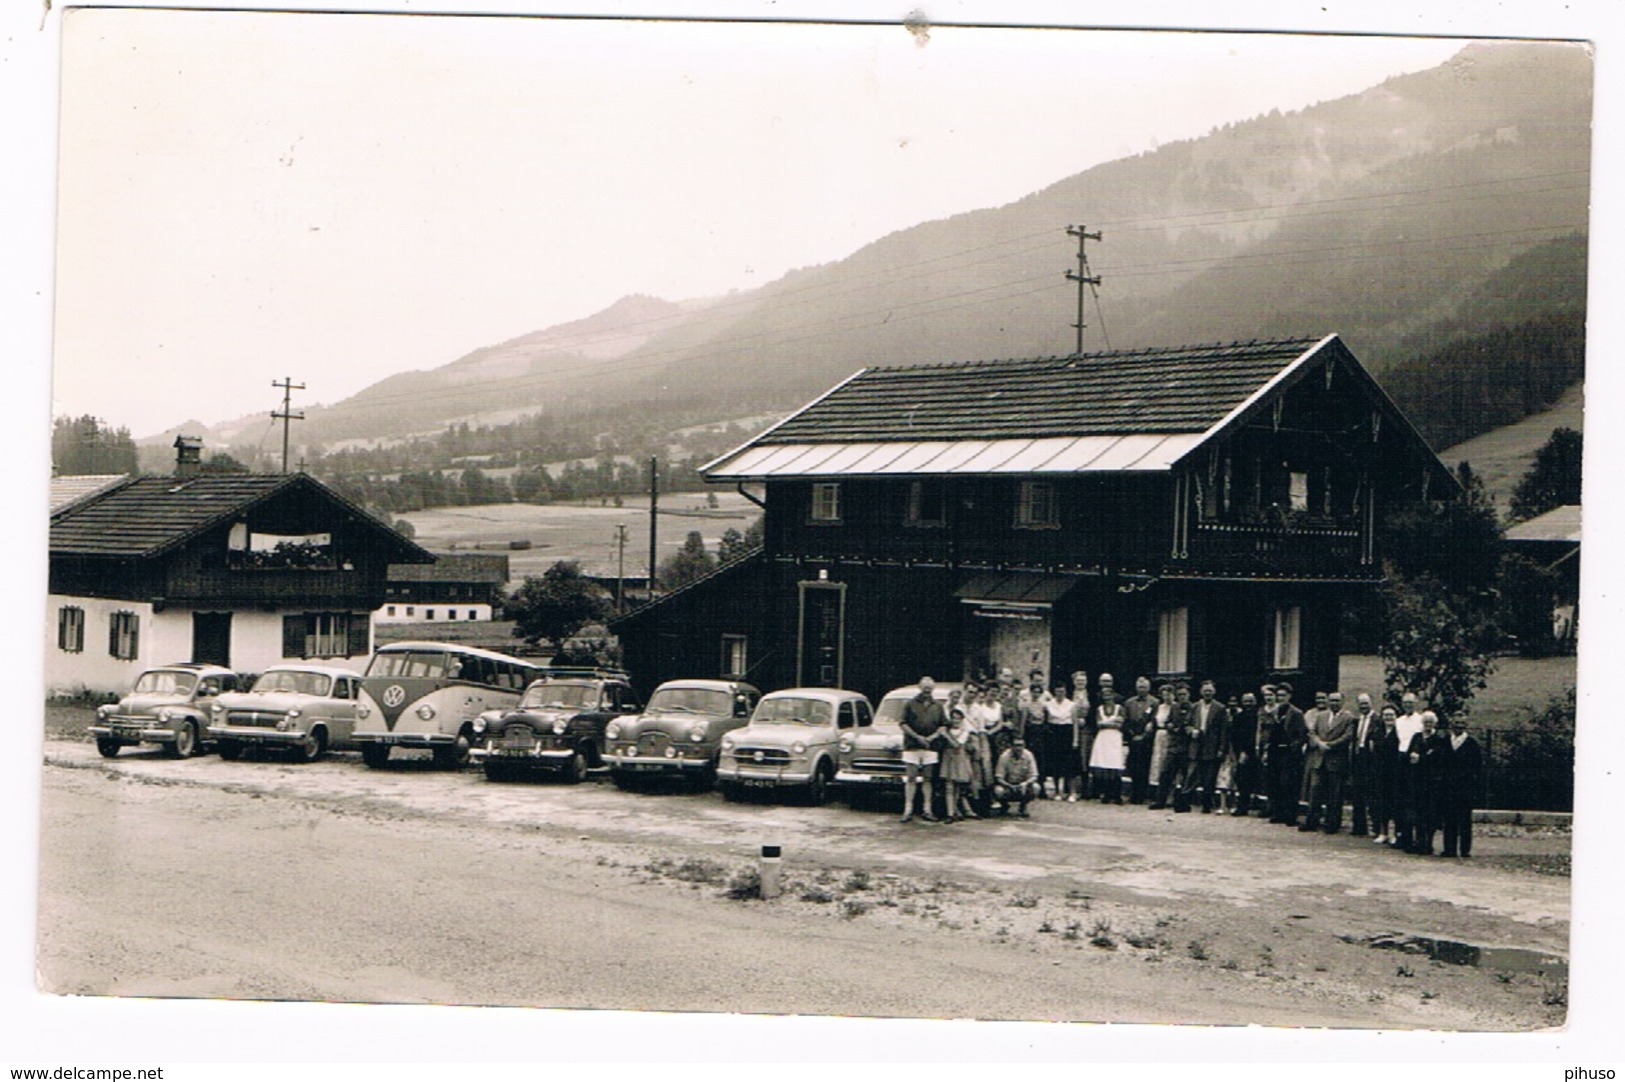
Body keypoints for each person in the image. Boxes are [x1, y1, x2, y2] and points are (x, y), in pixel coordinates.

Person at [1302, 690, 1354, 833]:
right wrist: (1319, 743)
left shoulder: (1348, 717)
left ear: (1342, 702)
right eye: (1331, 700)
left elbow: (1347, 736)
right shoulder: (1321, 716)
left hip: (1336, 760)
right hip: (1319, 759)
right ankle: (1311, 821)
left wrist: (1330, 745)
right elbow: (1312, 733)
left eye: (1337, 700)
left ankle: (1332, 823)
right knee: (1315, 791)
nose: (1334, 703)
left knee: (1335, 794)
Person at [899, 677, 944, 823]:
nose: (927, 691)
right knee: (911, 778)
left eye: (929, 689)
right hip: (912, 745)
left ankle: (927, 810)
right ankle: (908, 810)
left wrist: (932, 737)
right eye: (925, 688)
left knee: (928, 778)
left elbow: (943, 725)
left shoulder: (938, 705)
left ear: (933, 689)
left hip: (930, 747)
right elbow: (903, 723)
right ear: (920, 687)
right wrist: (917, 737)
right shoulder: (910, 704)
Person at [1440, 714, 1484, 858]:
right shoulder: (1446, 742)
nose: (1458, 726)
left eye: (1461, 724)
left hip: (1465, 788)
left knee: (1464, 820)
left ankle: (1465, 850)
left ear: (1466, 726)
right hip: (1448, 787)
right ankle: (1449, 849)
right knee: (1449, 819)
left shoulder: (1472, 744)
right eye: (1456, 723)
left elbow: (1477, 768)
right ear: (1452, 725)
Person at [1407, 708, 1449, 855]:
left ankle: (1428, 843)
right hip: (1416, 780)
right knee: (1417, 813)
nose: (1428, 724)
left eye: (1431, 722)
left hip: (1431, 782)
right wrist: (1421, 756)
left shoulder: (1439, 739)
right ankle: (1418, 841)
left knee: (1430, 814)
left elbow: (1438, 758)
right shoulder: (1417, 737)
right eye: (1426, 722)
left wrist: (1421, 758)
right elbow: (1410, 755)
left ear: (1435, 723)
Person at [1265, 683, 1307, 825]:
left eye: (1283, 695)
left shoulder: (1296, 713)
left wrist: (1293, 749)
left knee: (1289, 784)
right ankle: (1278, 813)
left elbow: (1301, 735)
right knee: (1276, 783)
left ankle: (1291, 815)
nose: (1280, 698)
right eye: (1278, 696)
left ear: (1289, 696)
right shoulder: (1275, 712)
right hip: (1275, 752)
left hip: (1289, 754)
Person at [1187, 679, 1230, 813]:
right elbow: (1187, 724)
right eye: (1205, 691)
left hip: (1212, 747)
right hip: (1196, 745)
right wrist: (1191, 731)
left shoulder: (1220, 708)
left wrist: (1222, 749)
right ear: (1201, 692)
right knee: (1193, 774)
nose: (1207, 693)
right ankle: (1186, 801)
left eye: (1210, 691)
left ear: (1214, 692)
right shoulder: (1194, 707)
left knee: (1209, 777)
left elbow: (1224, 731)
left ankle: (1207, 805)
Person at [1347, 693, 1381, 837]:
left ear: (1371, 703)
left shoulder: (1377, 720)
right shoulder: (1356, 720)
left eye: (1366, 703)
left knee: (1372, 795)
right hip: (1358, 758)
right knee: (1357, 794)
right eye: (1361, 704)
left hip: (1371, 759)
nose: (1363, 706)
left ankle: (1376, 828)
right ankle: (1359, 826)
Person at [1088, 679, 1127, 803]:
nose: (1107, 697)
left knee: (1115, 765)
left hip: (1115, 738)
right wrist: (1111, 722)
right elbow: (1098, 724)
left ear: (1114, 695)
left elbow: (1120, 724)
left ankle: (1116, 794)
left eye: (1109, 694)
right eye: (1105, 695)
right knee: (1104, 766)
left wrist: (1106, 723)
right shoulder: (1099, 709)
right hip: (1103, 738)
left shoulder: (1119, 708)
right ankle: (1106, 794)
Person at [1371, 703, 1404, 846]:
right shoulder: (1378, 732)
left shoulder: (1400, 732)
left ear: (1396, 717)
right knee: (1381, 803)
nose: (1388, 718)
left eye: (1391, 715)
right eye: (1386, 715)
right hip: (1380, 773)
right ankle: (1382, 832)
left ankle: (1395, 834)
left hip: (1396, 773)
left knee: (1395, 804)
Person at [1123, 676, 1158, 804]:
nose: (1141, 689)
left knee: (1144, 767)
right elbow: (1125, 721)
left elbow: (1154, 722)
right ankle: (1134, 792)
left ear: (1148, 688)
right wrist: (1132, 735)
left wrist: (1143, 736)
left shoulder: (1154, 703)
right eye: (1139, 687)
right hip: (1133, 739)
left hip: (1146, 741)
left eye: (1144, 687)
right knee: (1133, 767)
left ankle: (1142, 794)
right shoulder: (1129, 702)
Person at [939, 706, 978, 822]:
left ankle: (954, 810)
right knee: (949, 786)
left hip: (959, 759)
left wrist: (945, 735)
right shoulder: (948, 730)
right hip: (948, 758)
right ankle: (950, 813)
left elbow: (957, 744)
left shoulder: (964, 732)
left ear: (962, 720)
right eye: (953, 718)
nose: (955, 721)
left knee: (957, 787)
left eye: (958, 718)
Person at [1163, 683, 1197, 812]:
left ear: (1188, 694)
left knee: (1186, 775)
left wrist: (1187, 728)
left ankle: (1183, 802)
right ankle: (1162, 800)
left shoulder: (1194, 708)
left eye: (1184, 694)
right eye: (1179, 695)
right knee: (1166, 773)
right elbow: (1168, 721)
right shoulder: (1174, 707)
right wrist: (1170, 726)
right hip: (1173, 746)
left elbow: (1194, 724)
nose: (1182, 697)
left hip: (1187, 747)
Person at [1228, 690, 1262, 816]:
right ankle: (1243, 806)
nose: (1248, 704)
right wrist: (1241, 752)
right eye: (1245, 701)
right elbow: (1235, 736)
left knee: (1259, 780)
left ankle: (1260, 805)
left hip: (1258, 752)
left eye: (1250, 701)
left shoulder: (1259, 716)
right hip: (1244, 753)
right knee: (1243, 781)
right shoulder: (1238, 717)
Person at [1044, 682, 1078, 801]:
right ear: (1054, 692)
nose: (1060, 694)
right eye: (1058, 691)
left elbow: (1075, 724)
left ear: (1065, 692)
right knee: (1056, 764)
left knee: (1070, 765)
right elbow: (1047, 721)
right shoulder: (1048, 705)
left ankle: (1072, 793)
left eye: (1062, 691)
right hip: (1054, 734)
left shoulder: (1071, 705)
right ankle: (1058, 792)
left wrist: (1075, 740)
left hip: (1067, 733)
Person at [992, 736, 1041, 818]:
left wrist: (1025, 783)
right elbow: (999, 777)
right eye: (1016, 745)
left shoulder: (1028, 755)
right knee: (998, 791)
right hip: (1007, 784)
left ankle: (1023, 805)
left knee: (1036, 788)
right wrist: (1008, 785)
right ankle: (1004, 805)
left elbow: (1034, 775)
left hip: (1023, 785)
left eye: (1021, 745)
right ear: (1011, 746)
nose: (1019, 748)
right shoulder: (1004, 756)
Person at [1146, 683, 1177, 809]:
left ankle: (1171, 795)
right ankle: (1159, 795)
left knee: (1169, 766)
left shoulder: (1176, 707)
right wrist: (1150, 724)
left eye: (1169, 694)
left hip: (1171, 737)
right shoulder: (1159, 707)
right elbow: (1153, 719)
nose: (1167, 697)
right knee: (1158, 765)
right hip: (1159, 736)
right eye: (1164, 695)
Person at [1071, 671, 1094, 800]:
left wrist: (1086, 720)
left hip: (1086, 729)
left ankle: (1085, 788)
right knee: (1073, 756)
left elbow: (1093, 711)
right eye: (1078, 681)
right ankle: (1071, 789)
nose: (1080, 683)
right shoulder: (1070, 694)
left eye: (1083, 681)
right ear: (1074, 682)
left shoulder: (1090, 695)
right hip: (1071, 728)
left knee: (1085, 757)